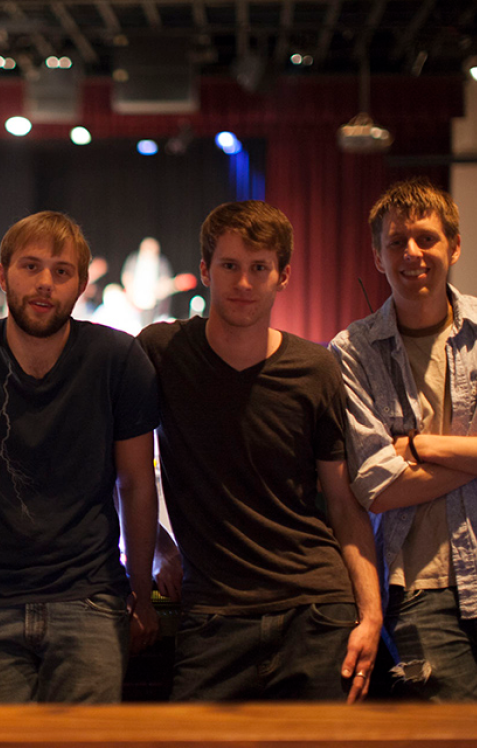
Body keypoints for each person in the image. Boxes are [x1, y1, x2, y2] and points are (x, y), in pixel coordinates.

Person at [138, 200, 382, 703]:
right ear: (206, 271)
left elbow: (343, 504)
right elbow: (123, 472)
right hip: (213, 615)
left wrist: (371, 616)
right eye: (230, 265)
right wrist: (159, 547)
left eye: (259, 268)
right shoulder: (161, 352)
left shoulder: (315, 369)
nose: (244, 283)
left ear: (283, 276)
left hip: (316, 609)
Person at [0, 210, 161, 703]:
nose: (45, 282)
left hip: (90, 601)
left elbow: (137, 483)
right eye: (30, 266)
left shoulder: (118, 359)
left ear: (82, 284)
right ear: (2, 274)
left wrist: (141, 594)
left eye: (61, 270)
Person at [330, 178, 477, 701]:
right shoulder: (352, 352)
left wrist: (423, 448)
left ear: (454, 246)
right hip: (417, 590)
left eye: (426, 238)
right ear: (378, 257)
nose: (412, 252)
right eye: (396, 241)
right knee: (458, 734)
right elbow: (378, 489)